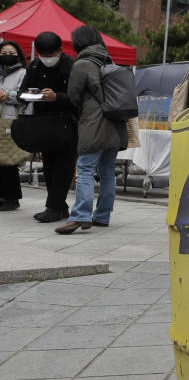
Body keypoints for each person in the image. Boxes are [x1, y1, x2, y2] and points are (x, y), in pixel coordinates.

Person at [55, 26, 127, 234]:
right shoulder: (109, 61)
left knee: (85, 168)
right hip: (115, 124)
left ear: (78, 43)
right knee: (106, 172)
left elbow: (74, 95)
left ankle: (80, 216)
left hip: (94, 123)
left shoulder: (83, 63)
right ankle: (102, 216)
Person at [19, 31, 77, 222]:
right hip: (43, 123)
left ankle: (54, 207)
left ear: (60, 51)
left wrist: (57, 97)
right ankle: (58, 207)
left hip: (67, 123)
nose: (46, 59)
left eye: (50, 56)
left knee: (64, 166)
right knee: (49, 166)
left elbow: (80, 98)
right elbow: (22, 92)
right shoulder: (35, 66)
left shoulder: (72, 66)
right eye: (42, 55)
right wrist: (30, 94)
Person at [0, 40, 28, 210]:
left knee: (9, 160)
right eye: (4, 53)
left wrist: (6, 95)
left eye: (11, 53)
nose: (7, 56)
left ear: (18, 54)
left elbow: (24, 95)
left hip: (10, 120)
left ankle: (12, 197)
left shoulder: (23, 73)